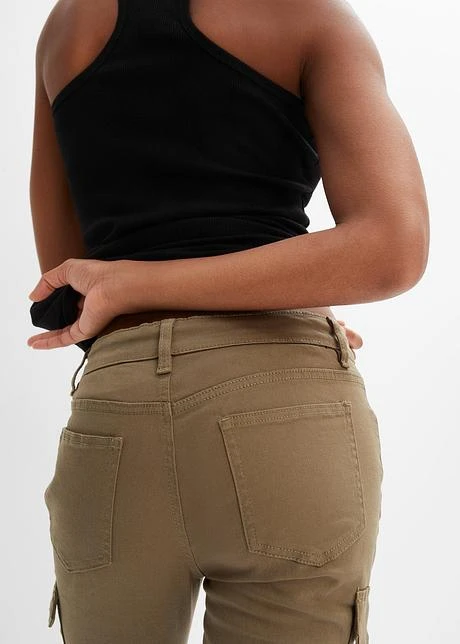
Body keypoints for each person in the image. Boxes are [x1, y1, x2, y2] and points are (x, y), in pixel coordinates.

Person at [27, 0, 429, 642]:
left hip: (116, 418)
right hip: (285, 403)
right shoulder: (308, 16)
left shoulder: (65, 27)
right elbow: (394, 247)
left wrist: (134, 286)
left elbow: (66, 284)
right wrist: (277, 293)